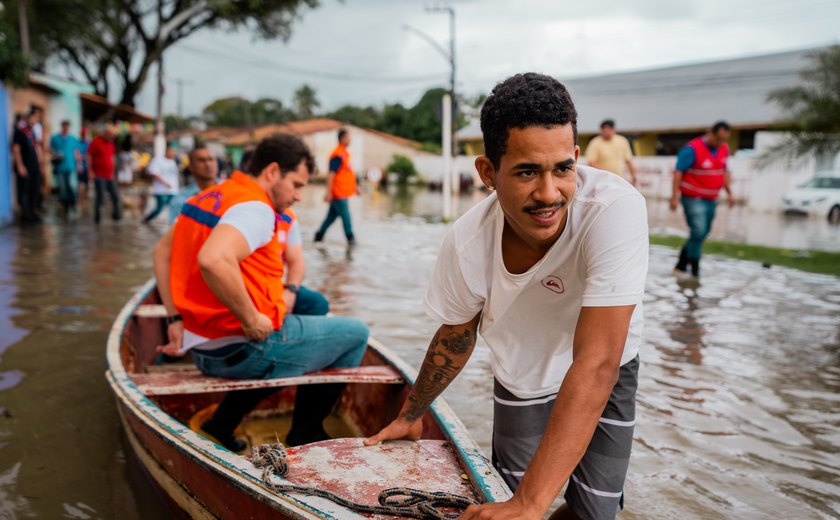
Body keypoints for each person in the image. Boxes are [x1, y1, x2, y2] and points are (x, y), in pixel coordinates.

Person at [365, 73, 648, 520]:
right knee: (502, 503)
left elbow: (596, 364)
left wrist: (531, 504)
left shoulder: (614, 210)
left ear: (577, 158)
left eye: (562, 169)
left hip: (608, 364)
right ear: (487, 173)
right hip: (523, 374)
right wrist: (412, 412)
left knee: (593, 512)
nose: (549, 193)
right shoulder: (467, 242)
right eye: (527, 172)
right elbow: (457, 334)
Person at [152, 133, 368, 452]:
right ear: (271, 173)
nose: (297, 196)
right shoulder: (256, 208)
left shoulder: (208, 197)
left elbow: (161, 253)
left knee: (313, 306)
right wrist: (251, 319)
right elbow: (213, 259)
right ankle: (306, 430)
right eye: (295, 184)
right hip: (242, 349)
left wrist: (173, 317)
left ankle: (225, 420)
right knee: (356, 333)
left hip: (201, 349)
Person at [669, 121, 735, 278]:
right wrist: (674, 197)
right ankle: (695, 270)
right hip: (692, 198)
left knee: (703, 233)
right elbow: (678, 173)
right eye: (719, 138)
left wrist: (730, 193)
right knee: (698, 231)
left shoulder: (724, 149)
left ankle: (681, 265)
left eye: (725, 139)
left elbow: (724, 172)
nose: (721, 142)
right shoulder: (692, 149)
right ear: (710, 133)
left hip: (711, 198)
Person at [314, 128, 357, 245]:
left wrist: (355, 187)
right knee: (346, 216)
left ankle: (318, 236)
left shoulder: (345, 153)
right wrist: (329, 192)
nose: (350, 140)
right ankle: (351, 240)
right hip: (338, 193)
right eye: (348, 137)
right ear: (342, 139)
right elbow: (331, 174)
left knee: (331, 217)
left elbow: (348, 173)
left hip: (344, 192)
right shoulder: (337, 154)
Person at [167, 145, 219, 225]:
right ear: (191, 167)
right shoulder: (181, 200)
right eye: (201, 161)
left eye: (211, 159)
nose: (208, 164)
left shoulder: (231, 190)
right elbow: (178, 233)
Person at [11, 109, 43, 223]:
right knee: (25, 190)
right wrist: (20, 165)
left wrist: (40, 163)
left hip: (34, 166)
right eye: (32, 118)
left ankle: (32, 212)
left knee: (34, 189)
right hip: (25, 166)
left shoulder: (32, 133)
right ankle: (26, 215)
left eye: (35, 118)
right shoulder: (19, 132)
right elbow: (16, 149)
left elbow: (36, 147)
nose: (33, 120)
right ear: (27, 118)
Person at [584, 119, 637, 186]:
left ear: (614, 130)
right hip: (600, 180)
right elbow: (591, 161)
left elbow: (628, 160)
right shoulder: (595, 142)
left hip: (618, 179)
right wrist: (607, 173)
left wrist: (634, 176)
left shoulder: (622, 141)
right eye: (604, 131)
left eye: (608, 130)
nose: (606, 133)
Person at [87, 124, 122, 223]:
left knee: (115, 196)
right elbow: (89, 155)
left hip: (109, 175)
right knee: (100, 198)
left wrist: (113, 172)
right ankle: (97, 220)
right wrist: (90, 171)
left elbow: (112, 158)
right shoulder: (96, 142)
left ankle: (117, 218)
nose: (112, 137)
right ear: (106, 133)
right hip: (99, 175)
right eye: (111, 135)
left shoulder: (111, 143)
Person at [49, 120, 83, 217]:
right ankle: (65, 205)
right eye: (64, 126)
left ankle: (72, 202)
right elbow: (50, 149)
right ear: (62, 127)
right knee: (62, 186)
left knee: (70, 185)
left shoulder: (72, 139)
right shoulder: (55, 138)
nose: (66, 128)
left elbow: (77, 152)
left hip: (70, 165)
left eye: (67, 127)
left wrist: (79, 164)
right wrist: (54, 155)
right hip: (60, 166)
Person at [143, 144, 180, 223]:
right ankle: (146, 220)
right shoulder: (158, 160)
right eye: (172, 152)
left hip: (173, 190)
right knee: (159, 208)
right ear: (167, 151)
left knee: (175, 207)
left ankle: (174, 225)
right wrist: (165, 183)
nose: (173, 154)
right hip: (161, 190)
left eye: (174, 152)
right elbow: (154, 173)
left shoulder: (172, 162)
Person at [77, 127, 90, 210]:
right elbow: (77, 154)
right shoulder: (77, 143)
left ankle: (84, 199)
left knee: (86, 185)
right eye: (83, 134)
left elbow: (89, 155)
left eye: (84, 134)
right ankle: (80, 201)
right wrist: (79, 163)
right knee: (80, 185)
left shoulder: (89, 143)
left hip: (87, 167)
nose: (84, 136)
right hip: (81, 167)